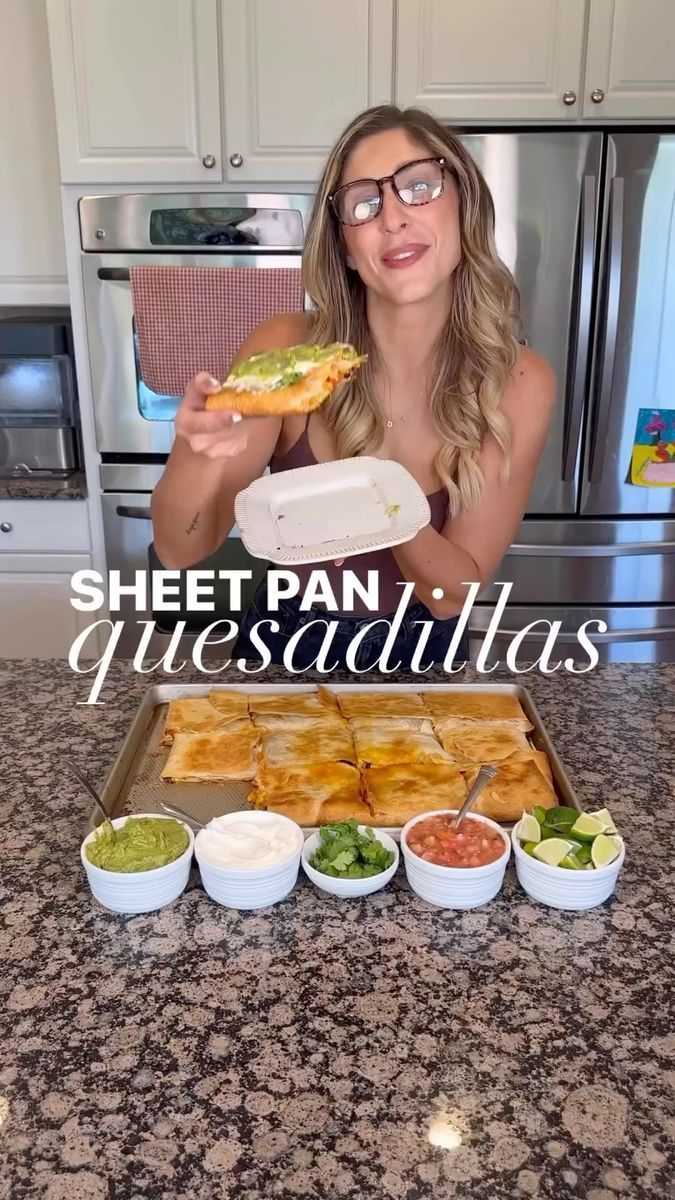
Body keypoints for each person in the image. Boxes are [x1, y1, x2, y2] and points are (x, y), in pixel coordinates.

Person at [151, 104, 555, 671]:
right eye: (363, 203)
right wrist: (196, 453)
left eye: (418, 186)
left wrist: (377, 497)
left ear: (464, 209)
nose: (392, 217)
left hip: (423, 653)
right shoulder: (287, 351)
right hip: (283, 642)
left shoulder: (517, 382)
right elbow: (180, 549)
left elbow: (451, 594)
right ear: (344, 246)